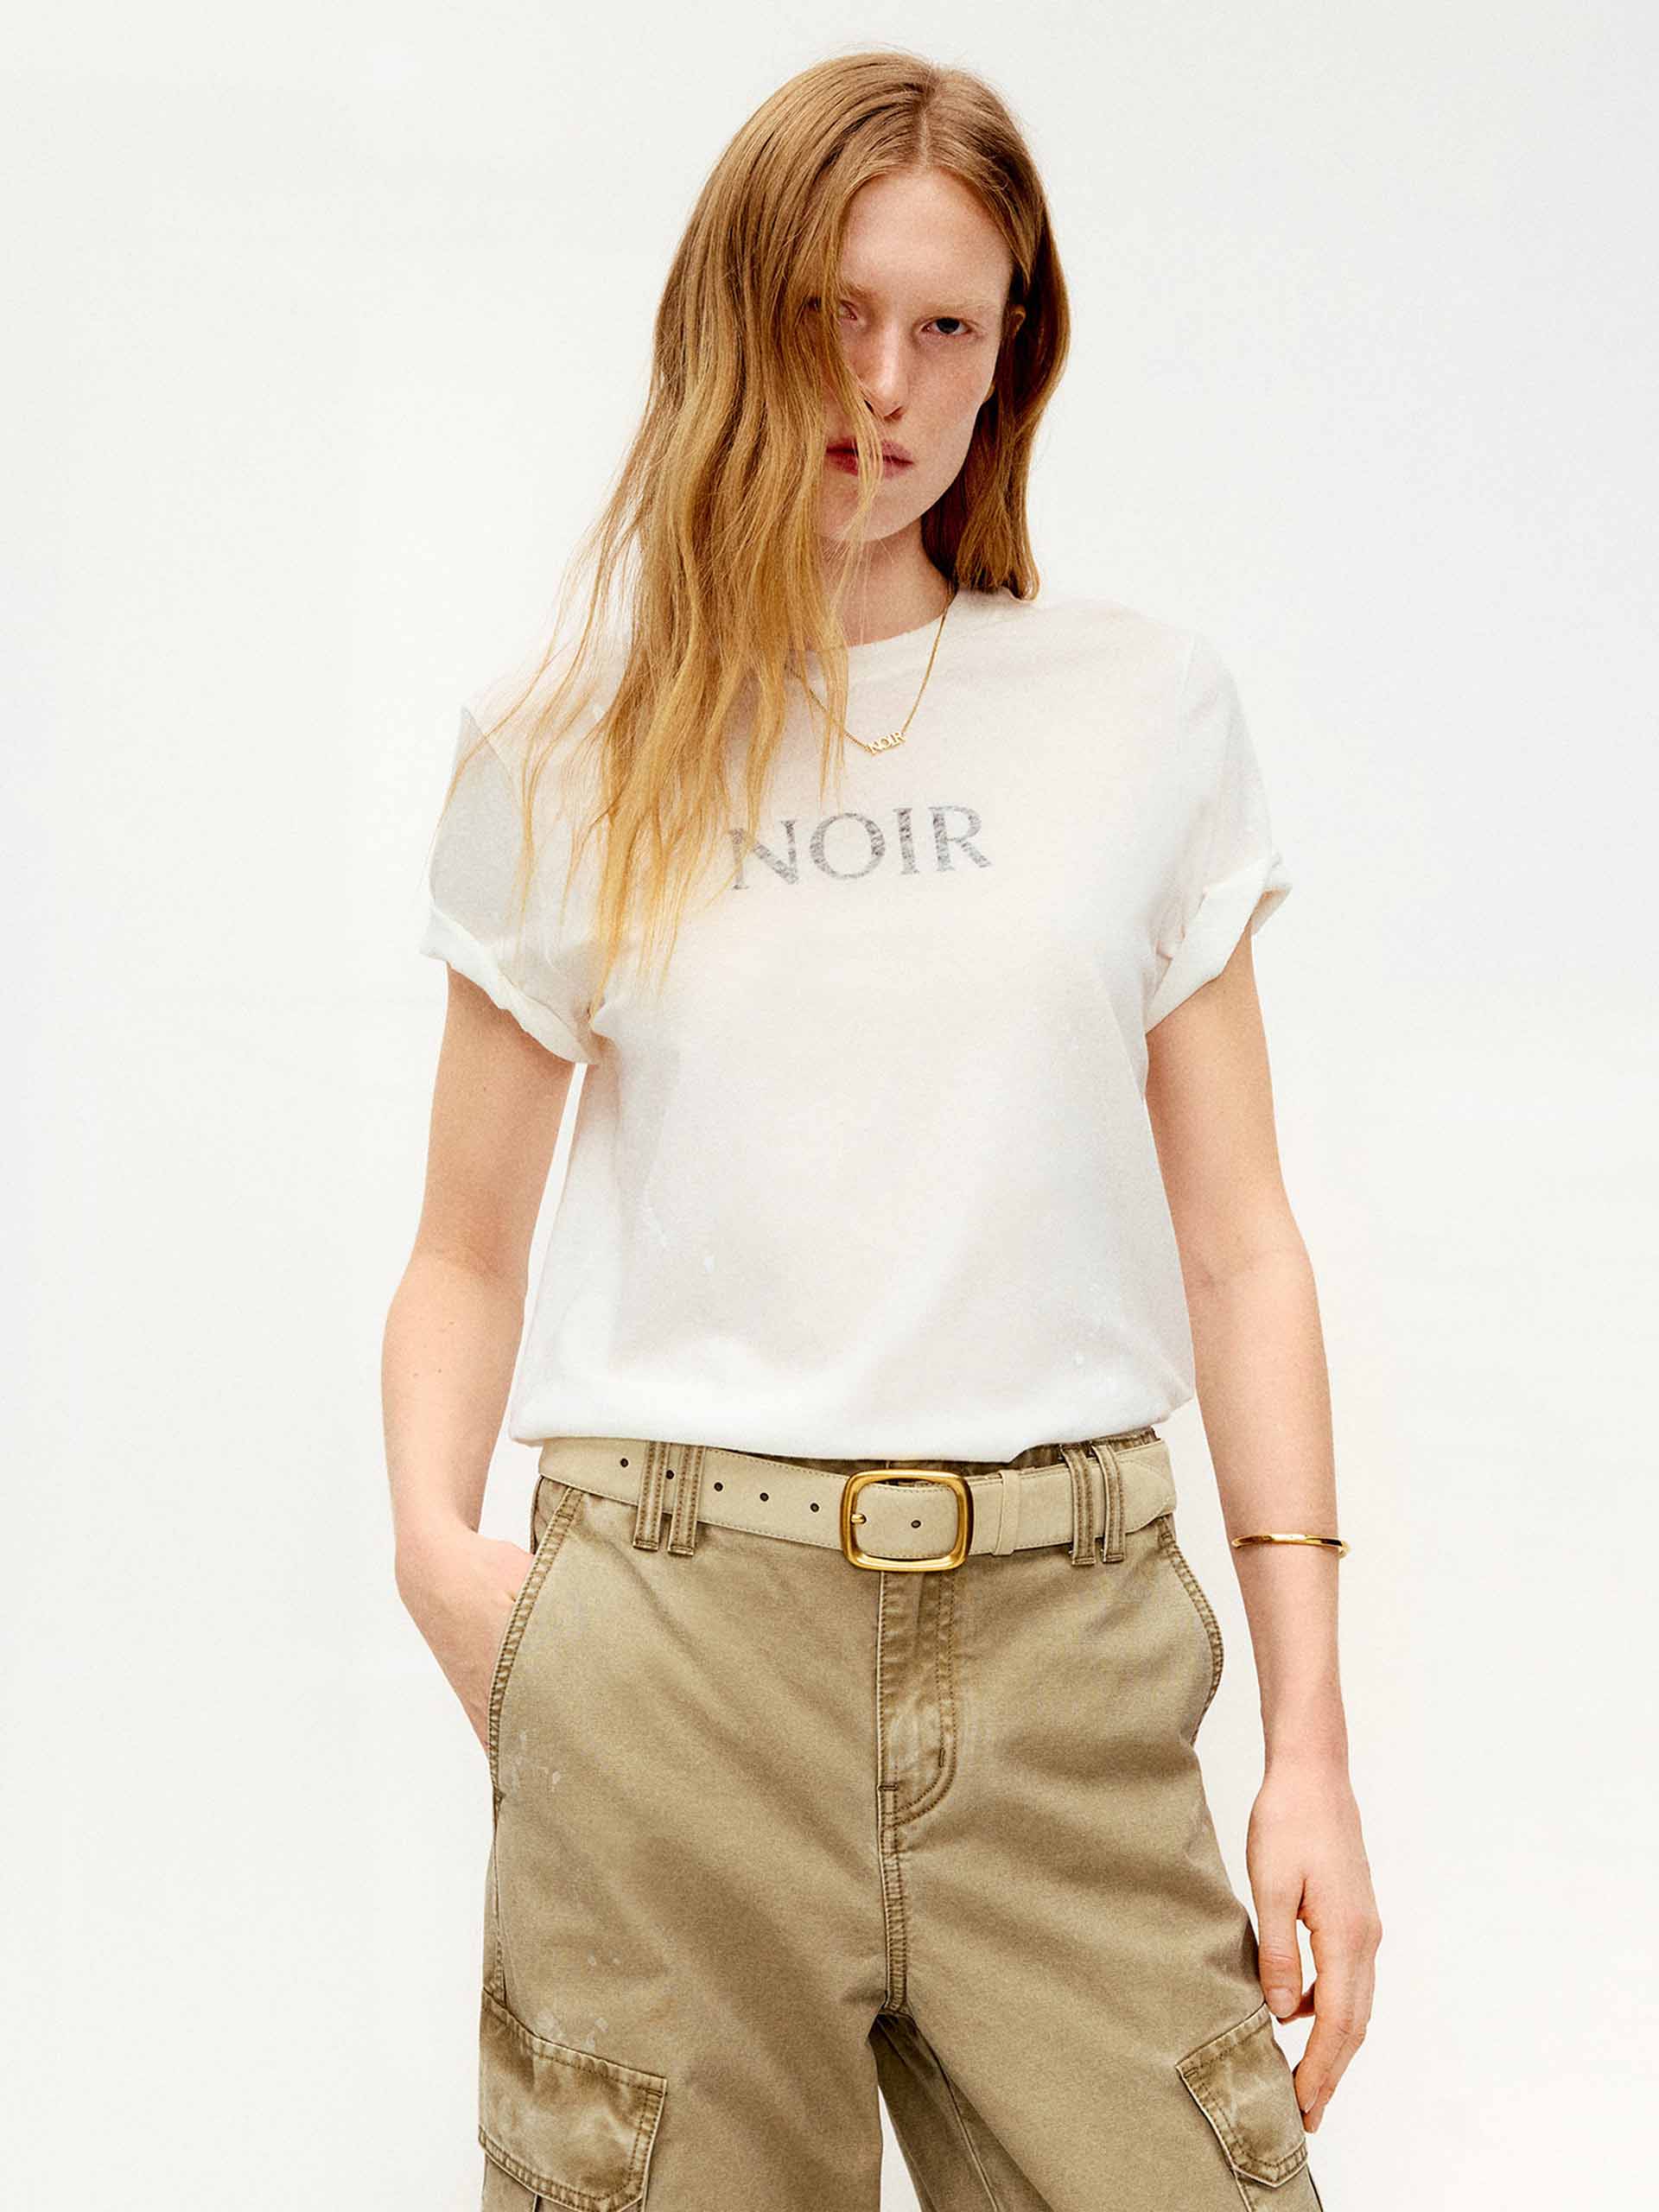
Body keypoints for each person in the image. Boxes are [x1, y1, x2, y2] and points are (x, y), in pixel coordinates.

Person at [385, 47, 1380, 2212]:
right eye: (835, 313)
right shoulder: (571, 741)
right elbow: (464, 1244)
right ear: (731, 313)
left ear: (1013, 354)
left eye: (949, 324)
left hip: (1068, 1657)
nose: (888, 383)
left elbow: (1242, 1243)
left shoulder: (1138, 708)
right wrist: (446, 1568)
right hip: (675, 1658)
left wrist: (1310, 1742)